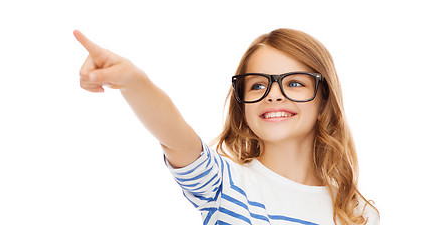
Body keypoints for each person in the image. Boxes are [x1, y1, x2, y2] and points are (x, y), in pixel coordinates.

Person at [74, 28, 379, 225]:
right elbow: (173, 135)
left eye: (294, 83)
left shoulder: (356, 213)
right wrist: (133, 81)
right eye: (258, 84)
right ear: (242, 104)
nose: (273, 93)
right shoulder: (224, 184)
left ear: (324, 101)